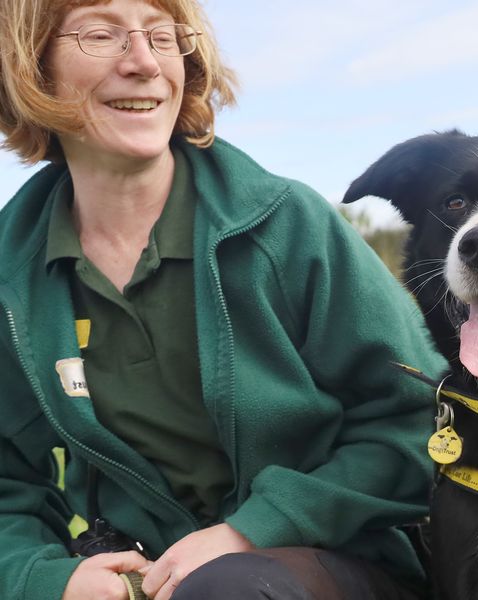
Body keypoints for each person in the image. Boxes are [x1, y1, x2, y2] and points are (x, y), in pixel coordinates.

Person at [0, 0, 447, 598]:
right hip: (148, 578)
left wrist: (250, 531)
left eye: (163, 36)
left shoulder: (287, 226)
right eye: (102, 36)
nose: (144, 62)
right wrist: (52, 580)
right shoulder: (13, 275)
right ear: (30, 65)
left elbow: (426, 420)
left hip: (330, 565)